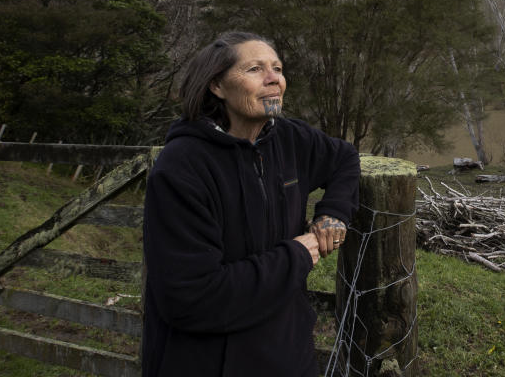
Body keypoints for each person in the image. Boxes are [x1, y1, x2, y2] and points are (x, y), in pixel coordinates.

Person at [142, 31, 360, 377]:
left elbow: (344, 158)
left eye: (277, 68)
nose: (274, 79)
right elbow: (191, 299)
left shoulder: (288, 138)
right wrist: (297, 256)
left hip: (289, 355)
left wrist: (333, 212)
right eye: (255, 69)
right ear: (216, 86)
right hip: (211, 362)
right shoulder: (182, 168)